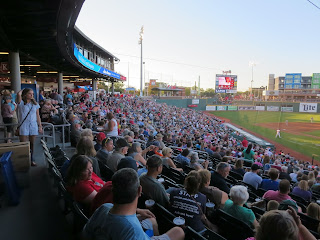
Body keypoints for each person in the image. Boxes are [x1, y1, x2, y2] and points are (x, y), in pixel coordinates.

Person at [83, 168, 185, 240]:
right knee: (178, 231)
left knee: (152, 220)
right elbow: (127, 226)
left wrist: (138, 213)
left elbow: (85, 233)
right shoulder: (133, 231)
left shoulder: (105, 207)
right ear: (139, 190)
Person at [16, 88, 42, 166]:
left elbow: (38, 115)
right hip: (24, 125)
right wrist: (21, 91)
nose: (31, 95)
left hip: (33, 125)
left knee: (32, 144)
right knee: (23, 144)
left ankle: (31, 159)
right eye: (30, 93)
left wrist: (40, 126)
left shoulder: (35, 104)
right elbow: (18, 95)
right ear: (25, 95)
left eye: (32, 94)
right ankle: (23, 160)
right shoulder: (21, 103)